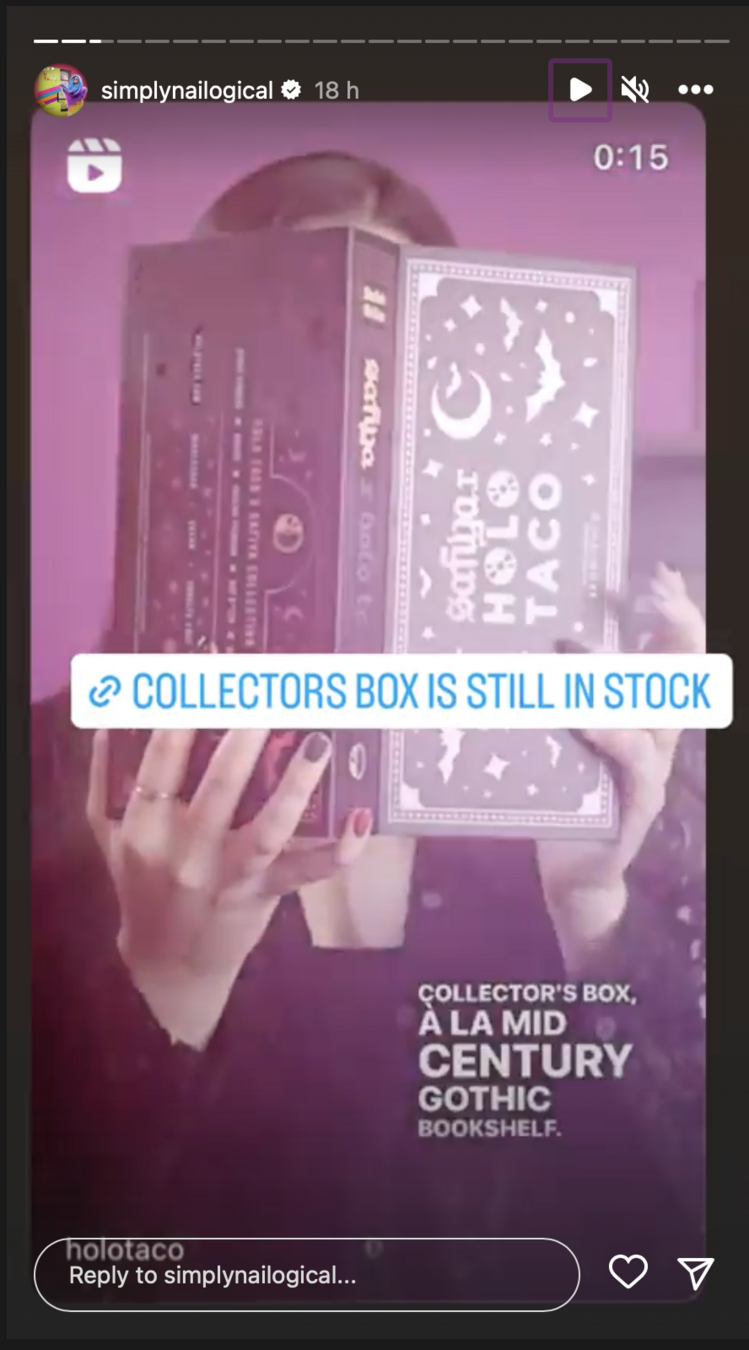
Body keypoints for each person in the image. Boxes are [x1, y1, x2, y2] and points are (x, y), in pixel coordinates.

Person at [32, 152, 706, 1304]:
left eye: (399, 388)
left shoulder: (612, 778)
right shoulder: (45, 775)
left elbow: (691, 1220)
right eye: (293, 374)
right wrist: (163, 981)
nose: (352, 448)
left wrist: (598, 915)